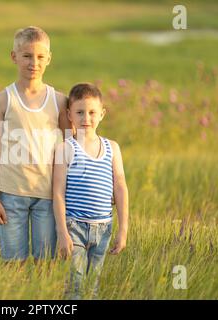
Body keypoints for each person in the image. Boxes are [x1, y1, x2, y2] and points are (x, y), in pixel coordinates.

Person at [0, 26, 71, 263]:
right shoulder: (3, 99)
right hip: (11, 196)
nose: (34, 63)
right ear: (14, 57)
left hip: (49, 197)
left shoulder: (59, 100)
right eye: (27, 56)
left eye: (40, 57)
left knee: (46, 262)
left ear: (49, 59)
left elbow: (74, 151)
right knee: (14, 263)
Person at [53, 83, 129, 299]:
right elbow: (57, 192)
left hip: (103, 228)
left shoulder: (112, 148)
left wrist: (123, 229)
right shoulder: (65, 148)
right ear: (69, 114)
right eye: (79, 112)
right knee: (75, 285)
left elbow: (121, 186)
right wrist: (62, 232)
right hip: (74, 226)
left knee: (92, 286)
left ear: (102, 114)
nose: (86, 118)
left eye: (92, 112)